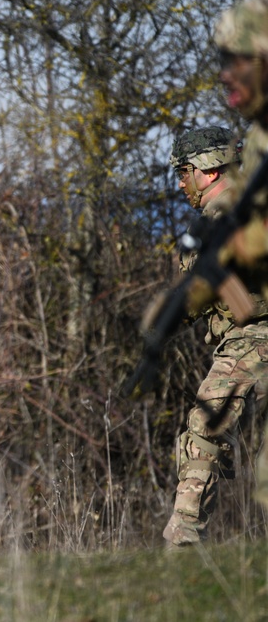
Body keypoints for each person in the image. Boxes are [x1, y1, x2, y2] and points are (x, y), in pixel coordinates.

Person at [161, 127, 268, 547]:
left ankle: (183, 538)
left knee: (205, 429)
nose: (181, 182)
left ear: (207, 170)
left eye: (184, 171)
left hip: (254, 340)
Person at [213, 0, 268, 513]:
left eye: (237, 60)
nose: (227, 75)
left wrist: (248, 243)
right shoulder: (257, 139)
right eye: (221, 61)